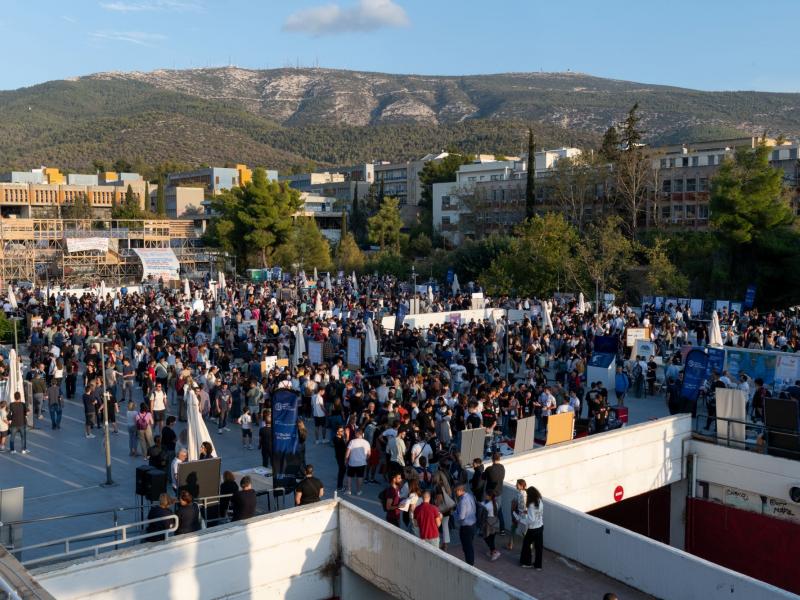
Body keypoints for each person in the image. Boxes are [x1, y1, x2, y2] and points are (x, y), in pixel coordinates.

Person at [519, 486, 544, 570]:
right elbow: (538, 513)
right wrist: (528, 512)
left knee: (526, 545)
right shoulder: (539, 501)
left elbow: (531, 519)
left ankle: (526, 562)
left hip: (532, 529)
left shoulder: (531, 504)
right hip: (540, 526)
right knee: (539, 547)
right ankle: (538, 565)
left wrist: (522, 520)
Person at [482, 451, 506, 534]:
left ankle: (487, 530)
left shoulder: (489, 469)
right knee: (499, 511)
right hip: (499, 493)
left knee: (488, 511)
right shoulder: (502, 468)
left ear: (492, 459)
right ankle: (502, 530)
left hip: (490, 494)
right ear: (499, 459)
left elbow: (483, 477)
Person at [454, 483, 477, 565]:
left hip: (466, 527)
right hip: (473, 524)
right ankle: (470, 563)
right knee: (469, 546)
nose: (455, 493)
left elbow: (461, 516)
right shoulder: (470, 496)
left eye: (456, 491)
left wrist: (454, 513)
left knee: (467, 548)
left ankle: (470, 564)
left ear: (460, 490)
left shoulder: (463, 501)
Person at [345, 428, 371, 496]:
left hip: (352, 462)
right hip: (362, 463)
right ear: (362, 434)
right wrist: (365, 459)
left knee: (349, 476)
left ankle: (349, 490)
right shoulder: (366, 442)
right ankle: (359, 491)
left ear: (356, 434)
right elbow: (369, 454)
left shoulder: (352, 442)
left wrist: (346, 460)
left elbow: (347, 453)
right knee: (360, 477)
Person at [506, 478, 527, 551]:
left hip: (520, 515)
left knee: (517, 530)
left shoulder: (520, 494)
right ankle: (510, 544)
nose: (516, 485)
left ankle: (510, 544)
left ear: (521, 486)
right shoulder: (525, 493)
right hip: (524, 516)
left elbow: (516, 505)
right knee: (524, 532)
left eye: (517, 484)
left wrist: (514, 514)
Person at [481, 490, 501, 561]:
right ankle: (492, 551)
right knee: (492, 538)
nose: (485, 496)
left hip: (489, 523)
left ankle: (494, 551)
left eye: (487, 495)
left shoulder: (487, 505)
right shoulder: (496, 503)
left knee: (486, 537)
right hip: (495, 522)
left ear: (490, 497)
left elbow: (483, 509)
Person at [333, 425, 347, 492]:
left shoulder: (341, 437)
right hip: (340, 457)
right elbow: (341, 448)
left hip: (341, 456)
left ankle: (340, 484)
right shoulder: (337, 439)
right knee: (342, 470)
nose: (343, 432)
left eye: (343, 430)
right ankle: (339, 486)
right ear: (337, 432)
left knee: (343, 470)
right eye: (341, 431)